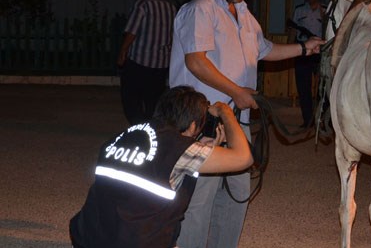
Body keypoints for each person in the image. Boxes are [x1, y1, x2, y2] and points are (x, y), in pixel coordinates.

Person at [168, 0, 325, 247]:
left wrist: (306, 48)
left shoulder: (245, 16)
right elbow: (196, 62)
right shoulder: (200, 9)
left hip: (237, 125)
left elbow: (267, 51)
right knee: (199, 200)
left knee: (236, 197)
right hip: (202, 124)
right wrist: (237, 92)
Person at [69, 85, 252, 248]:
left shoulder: (123, 136)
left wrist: (200, 146)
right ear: (193, 124)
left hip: (87, 238)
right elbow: (243, 158)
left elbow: (157, 162)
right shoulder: (180, 149)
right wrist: (225, 111)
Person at [117, 0, 177, 125]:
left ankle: (139, 126)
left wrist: (123, 51)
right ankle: (152, 127)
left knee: (130, 96)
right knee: (153, 100)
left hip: (139, 61)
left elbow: (132, 31)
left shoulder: (142, 3)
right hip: (161, 63)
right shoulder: (170, 6)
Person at [288, 0, 325, 127]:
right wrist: (290, 50)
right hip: (303, 51)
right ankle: (307, 121)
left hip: (320, 52)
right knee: (304, 88)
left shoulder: (325, 9)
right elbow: (293, 30)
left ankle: (322, 120)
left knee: (323, 89)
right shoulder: (299, 10)